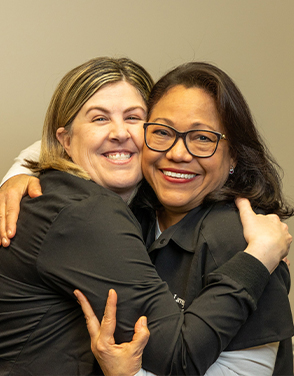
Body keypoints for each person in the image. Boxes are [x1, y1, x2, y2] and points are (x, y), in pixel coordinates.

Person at [0, 58, 292, 376]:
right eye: (99, 118)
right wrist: (15, 177)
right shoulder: (112, 210)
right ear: (65, 141)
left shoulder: (237, 235)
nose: (119, 133)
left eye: (203, 138)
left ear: (234, 153)